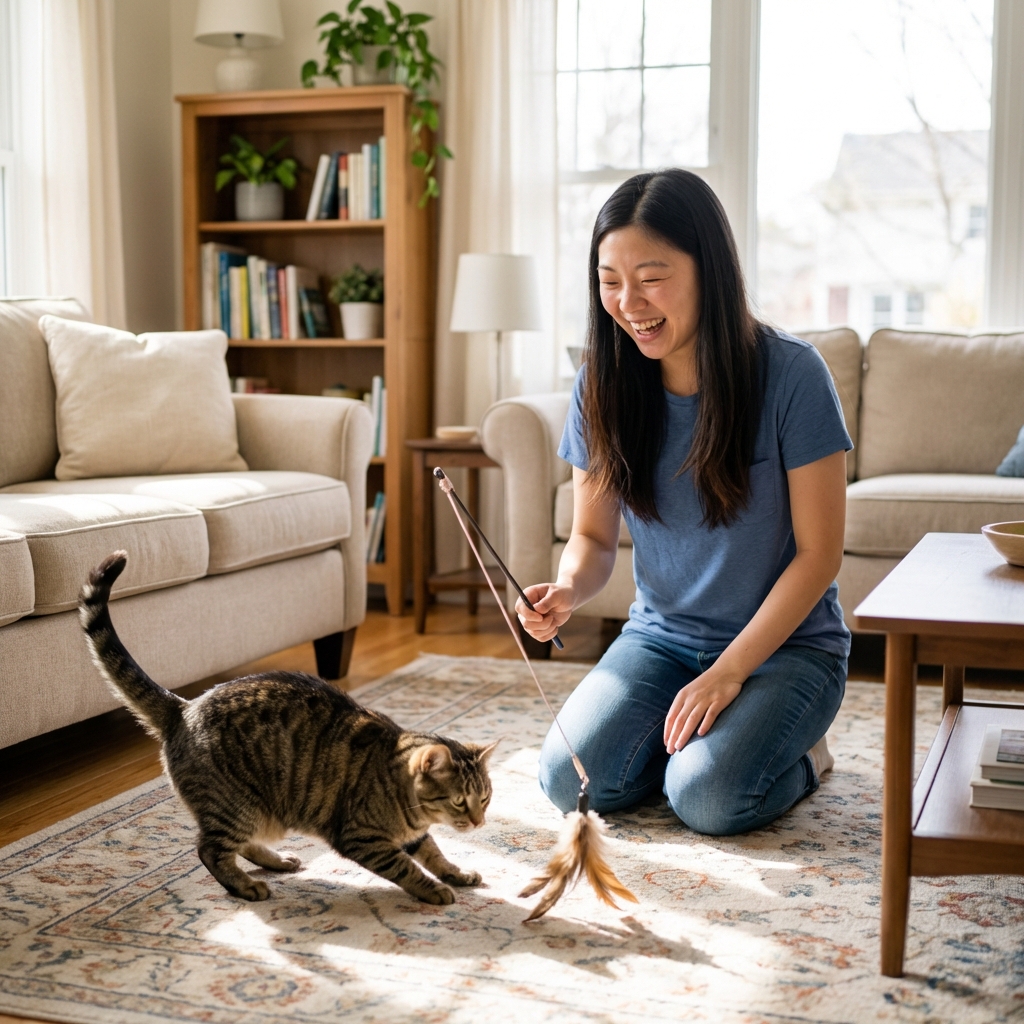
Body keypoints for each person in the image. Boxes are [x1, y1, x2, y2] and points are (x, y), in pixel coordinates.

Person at [518, 169, 852, 837]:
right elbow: (592, 537)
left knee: (706, 798)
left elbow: (820, 557)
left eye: (651, 277)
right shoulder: (601, 386)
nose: (629, 302)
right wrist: (567, 590)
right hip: (661, 642)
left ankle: (804, 756)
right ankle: (681, 752)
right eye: (610, 280)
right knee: (570, 781)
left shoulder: (792, 375)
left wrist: (729, 674)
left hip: (787, 650)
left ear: (709, 270)